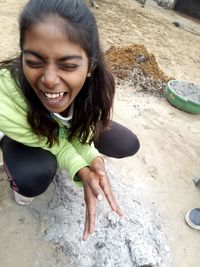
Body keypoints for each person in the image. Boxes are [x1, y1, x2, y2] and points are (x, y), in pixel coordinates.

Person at [0, 0, 140, 240]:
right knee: (33, 176)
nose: (50, 80)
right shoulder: (5, 98)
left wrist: (93, 161)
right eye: (33, 62)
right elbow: (51, 142)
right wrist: (79, 168)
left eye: (68, 65)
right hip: (26, 134)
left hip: (56, 130)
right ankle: (19, 179)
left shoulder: (96, 87)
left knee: (126, 142)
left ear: (90, 67)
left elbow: (80, 135)